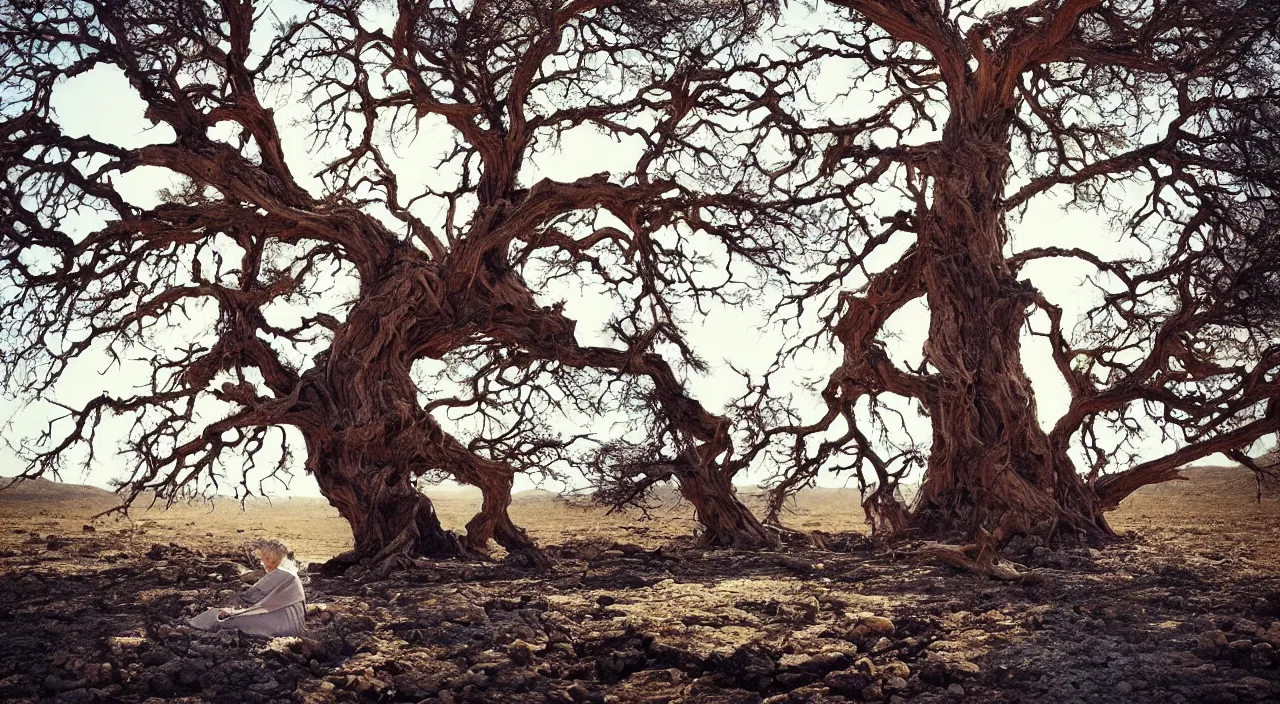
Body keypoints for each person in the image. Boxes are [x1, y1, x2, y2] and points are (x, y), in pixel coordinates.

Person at [189, 539, 306, 637]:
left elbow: (251, 597)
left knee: (221, 618)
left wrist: (231, 610)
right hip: (293, 622)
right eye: (263, 558)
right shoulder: (290, 571)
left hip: (284, 624)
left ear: (278, 558)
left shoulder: (281, 573)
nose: (262, 562)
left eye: (267, 558)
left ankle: (194, 625)